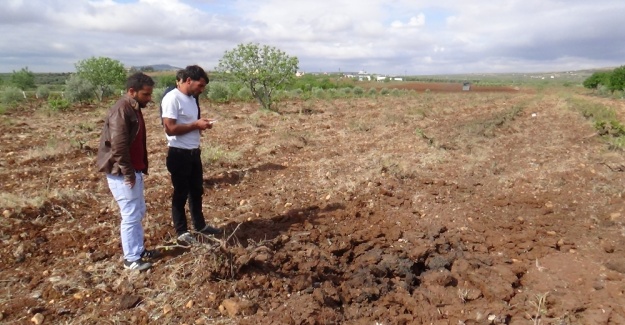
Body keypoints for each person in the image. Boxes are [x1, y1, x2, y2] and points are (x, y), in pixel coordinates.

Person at [96, 72, 160, 271]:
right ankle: (131, 258)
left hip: (133, 170)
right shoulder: (121, 110)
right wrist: (128, 172)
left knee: (138, 211)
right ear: (132, 91)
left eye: (150, 94)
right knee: (131, 214)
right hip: (123, 173)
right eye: (145, 94)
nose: (149, 99)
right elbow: (119, 146)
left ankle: (139, 250)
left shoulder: (133, 108)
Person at [161, 65, 220, 246]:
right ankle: (181, 232)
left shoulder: (192, 99)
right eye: (200, 85)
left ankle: (200, 226)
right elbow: (169, 129)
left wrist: (202, 124)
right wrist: (196, 125)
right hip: (179, 154)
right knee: (181, 193)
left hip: (194, 152)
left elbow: (190, 123)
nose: (201, 90)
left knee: (196, 191)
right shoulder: (172, 98)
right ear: (188, 80)